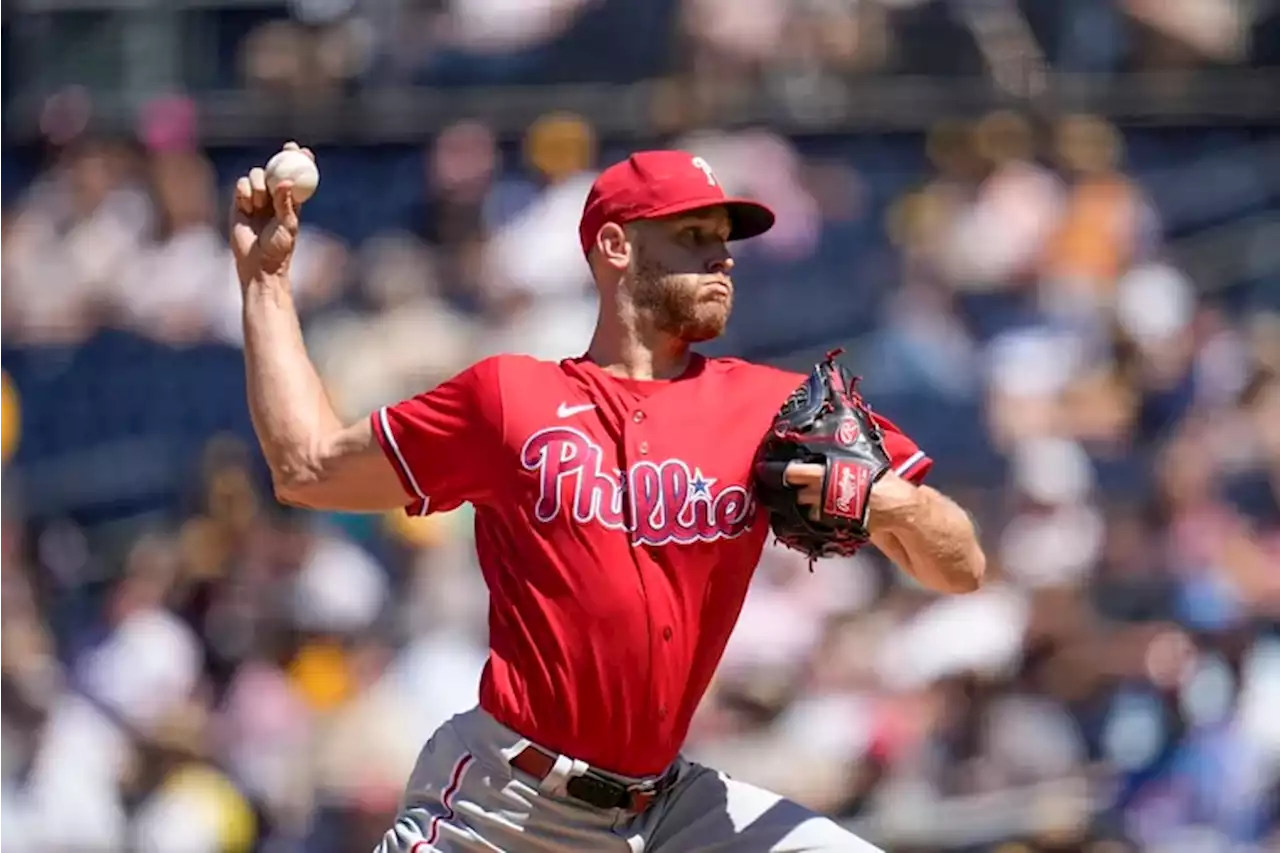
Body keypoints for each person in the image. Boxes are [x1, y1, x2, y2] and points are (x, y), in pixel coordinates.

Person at [231, 143, 986, 852]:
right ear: (617, 247)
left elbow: (963, 568)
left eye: (724, 236)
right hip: (506, 805)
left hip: (670, 810)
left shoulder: (773, 410)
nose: (721, 255)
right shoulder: (508, 399)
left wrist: (899, 508)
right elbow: (308, 466)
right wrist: (265, 283)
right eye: (693, 235)